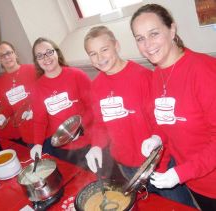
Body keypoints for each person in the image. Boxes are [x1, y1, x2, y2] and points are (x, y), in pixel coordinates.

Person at [83, 25, 195, 207]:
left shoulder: (143, 76)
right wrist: (95, 145)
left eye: (104, 49)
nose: (100, 57)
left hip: (158, 163)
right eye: (93, 53)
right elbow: (100, 123)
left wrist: (158, 147)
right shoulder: (96, 87)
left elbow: (161, 121)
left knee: (179, 206)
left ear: (116, 46)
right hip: (127, 166)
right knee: (151, 206)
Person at [130, 4, 216, 210]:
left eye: (154, 34)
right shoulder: (155, 75)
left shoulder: (203, 71)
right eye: (140, 38)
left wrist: (180, 173)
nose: (147, 44)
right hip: (196, 182)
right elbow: (166, 122)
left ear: (172, 30)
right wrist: (157, 137)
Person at [29, 37, 93, 168]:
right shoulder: (37, 88)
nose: (46, 58)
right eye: (40, 56)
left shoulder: (77, 75)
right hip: (62, 149)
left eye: (49, 52)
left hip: (88, 143)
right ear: (36, 61)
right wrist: (37, 144)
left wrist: (80, 129)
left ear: (57, 52)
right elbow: (39, 121)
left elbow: (93, 107)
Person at [0, 41, 37, 145]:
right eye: (2, 56)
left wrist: (34, 108)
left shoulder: (32, 70)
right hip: (27, 132)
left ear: (15, 54)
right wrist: (3, 115)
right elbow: (8, 105)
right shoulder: (1, 82)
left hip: (44, 126)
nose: (6, 57)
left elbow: (46, 93)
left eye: (9, 53)